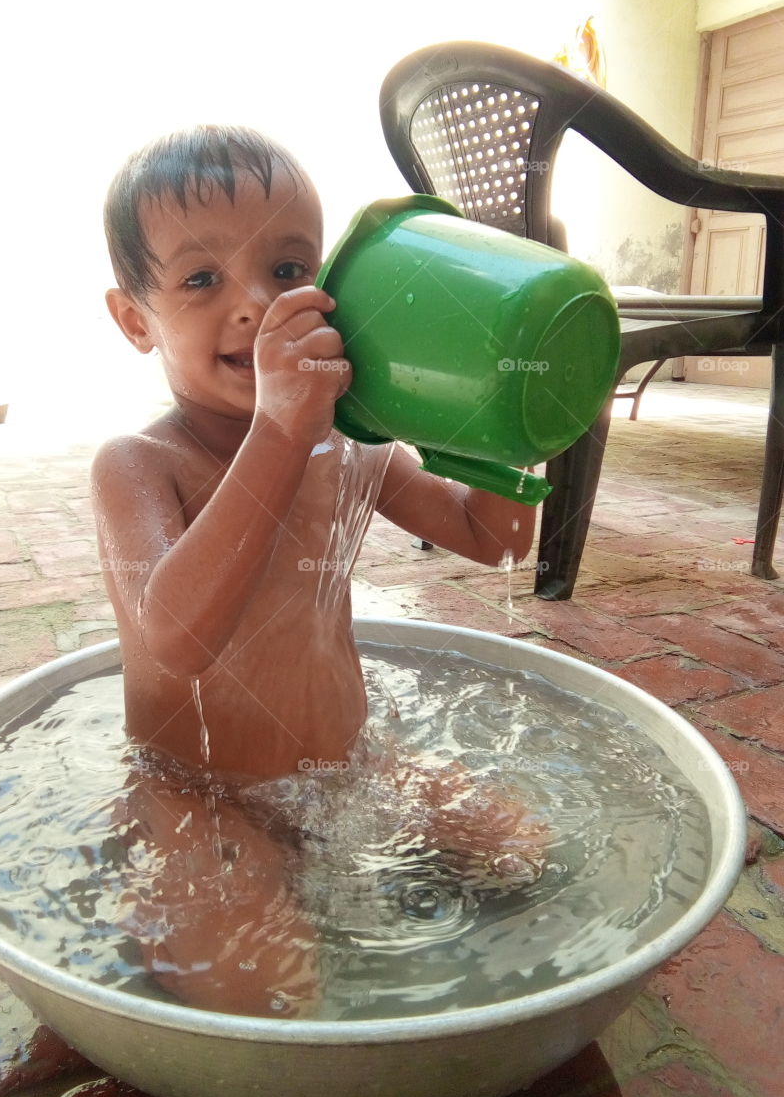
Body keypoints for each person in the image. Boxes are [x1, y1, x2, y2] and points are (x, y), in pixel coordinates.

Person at [93, 126, 545, 1017]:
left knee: (522, 854)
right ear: (135, 320)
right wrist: (276, 434)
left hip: (349, 765)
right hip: (199, 786)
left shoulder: (349, 444)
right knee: (262, 992)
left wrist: (517, 425)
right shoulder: (140, 467)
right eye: (200, 279)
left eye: (289, 268)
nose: (255, 304)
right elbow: (174, 640)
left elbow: (490, 538)